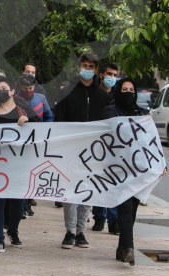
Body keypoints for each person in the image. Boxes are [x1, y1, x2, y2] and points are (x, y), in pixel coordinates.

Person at [102, 78, 166, 265]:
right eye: (124, 89)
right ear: (118, 91)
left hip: (138, 170)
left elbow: (152, 142)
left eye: (131, 90)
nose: (129, 93)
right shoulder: (110, 111)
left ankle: (122, 247)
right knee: (126, 207)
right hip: (118, 169)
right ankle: (129, 248)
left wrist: (160, 162)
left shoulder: (142, 114)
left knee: (133, 208)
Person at [55, 52, 109, 249]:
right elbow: (59, 122)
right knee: (70, 193)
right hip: (71, 152)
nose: (87, 70)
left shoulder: (103, 95)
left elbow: (107, 125)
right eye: (84, 66)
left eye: (91, 67)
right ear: (79, 67)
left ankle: (81, 232)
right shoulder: (66, 92)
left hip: (94, 153)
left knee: (88, 192)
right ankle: (69, 231)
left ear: (96, 70)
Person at [0, 77, 41, 253]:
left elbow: (41, 127)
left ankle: (12, 230)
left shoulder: (24, 110)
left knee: (18, 201)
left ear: (13, 91)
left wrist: (27, 120)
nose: (1, 91)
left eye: (4, 88)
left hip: (19, 163)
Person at [17, 74, 53, 217]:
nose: (28, 91)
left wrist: (44, 130)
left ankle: (28, 202)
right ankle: (22, 205)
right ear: (20, 87)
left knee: (33, 174)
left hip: (37, 142)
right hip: (20, 143)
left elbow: (49, 117)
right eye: (25, 88)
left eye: (30, 88)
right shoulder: (15, 101)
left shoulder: (41, 99)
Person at [91, 62, 119, 233]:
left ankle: (113, 219)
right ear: (101, 75)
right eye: (109, 74)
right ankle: (99, 215)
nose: (112, 78)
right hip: (96, 144)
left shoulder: (118, 96)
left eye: (115, 75)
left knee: (113, 182)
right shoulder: (93, 94)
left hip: (114, 146)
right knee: (97, 180)